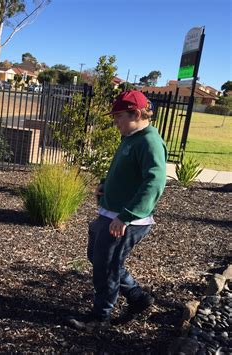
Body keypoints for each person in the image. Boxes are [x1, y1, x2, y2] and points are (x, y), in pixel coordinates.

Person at [66, 90, 167, 331]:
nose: (115, 122)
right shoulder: (131, 137)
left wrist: (126, 216)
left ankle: (100, 318)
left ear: (137, 113)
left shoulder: (149, 141)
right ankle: (137, 296)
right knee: (98, 258)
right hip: (111, 214)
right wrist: (105, 184)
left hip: (127, 219)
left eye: (119, 116)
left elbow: (154, 182)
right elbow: (124, 171)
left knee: (107, 265)